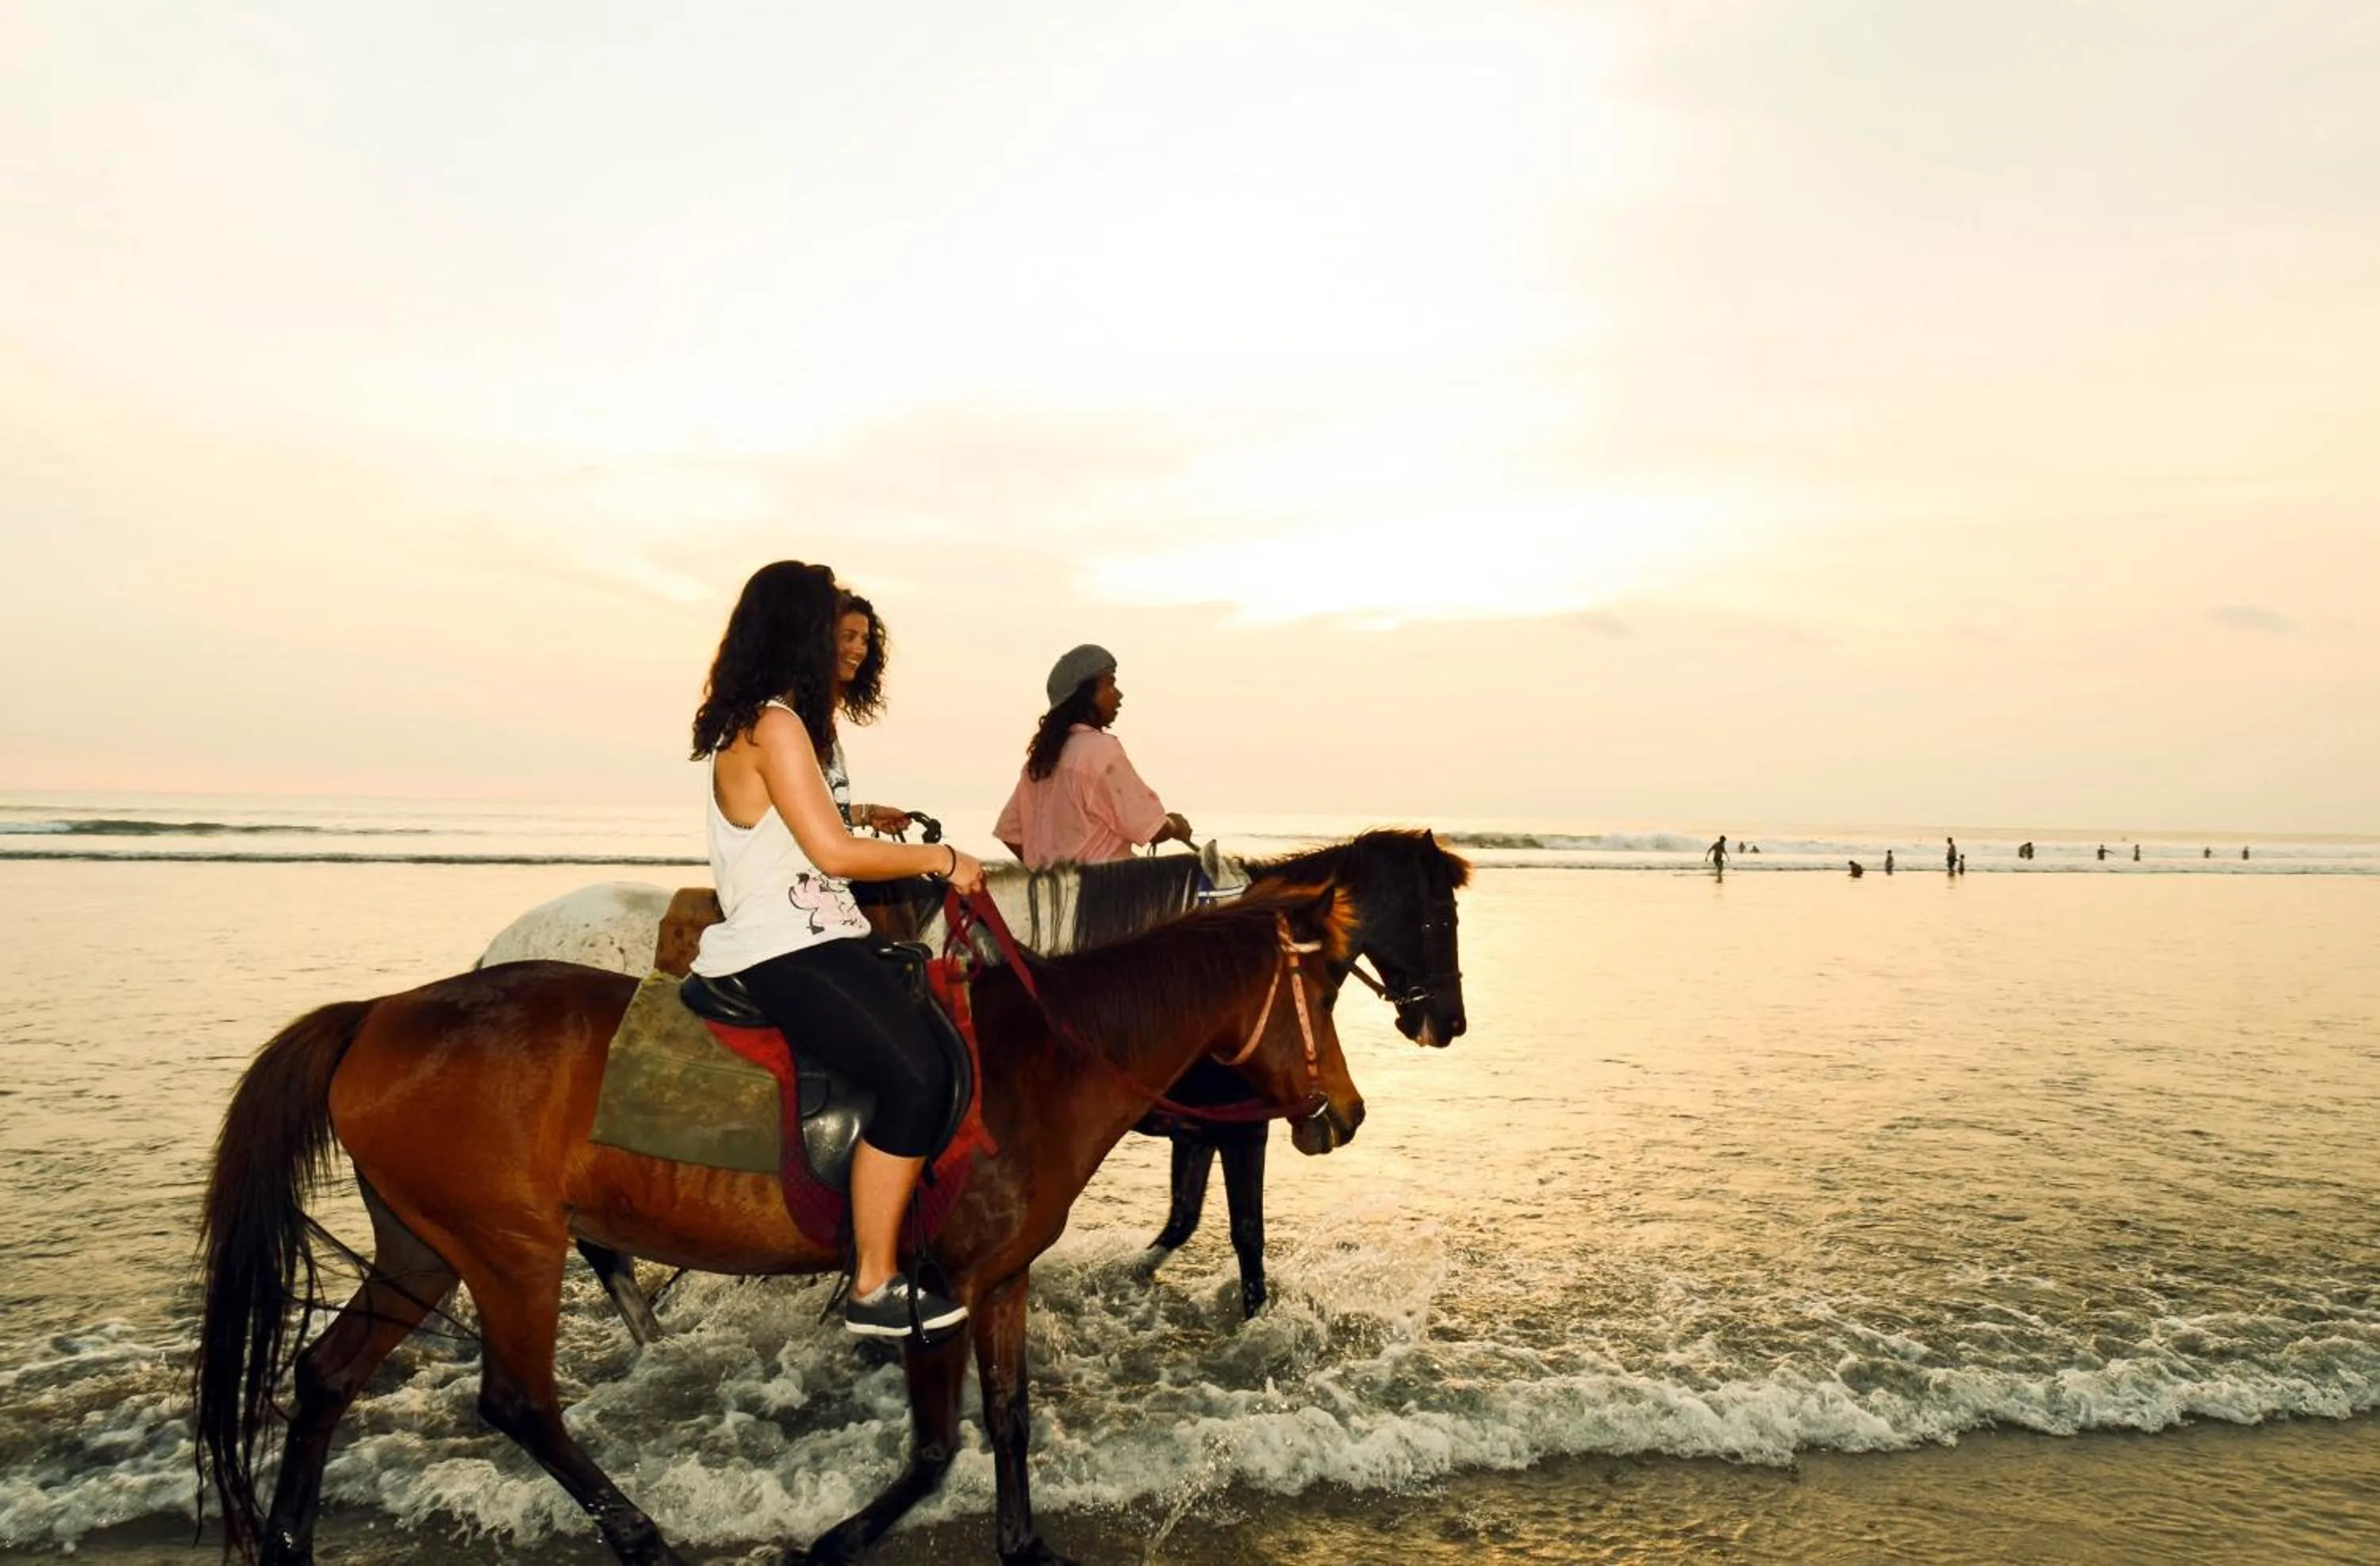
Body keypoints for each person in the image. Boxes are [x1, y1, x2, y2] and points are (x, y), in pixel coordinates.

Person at [688, 561, 987, 1340]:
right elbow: (835, 852)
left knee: (940, 1042)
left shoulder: (778, 721)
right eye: (833, 623)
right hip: (783, 946)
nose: (846, 639)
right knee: (916, 1078)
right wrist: (939, 859)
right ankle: (872, 1281)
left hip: (820, 932)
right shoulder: (775, 725)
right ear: (800, 629)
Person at [995, 644, 1192, 867]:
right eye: (1110, 683)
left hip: (1053, 898)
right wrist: (1175, 826)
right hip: (1106, 896)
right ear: (1086, 695)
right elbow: (1152, 828)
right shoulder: (1100, 750)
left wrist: (1048, 874)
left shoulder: (1041, 760)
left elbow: (1011, 833)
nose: (1119, 695)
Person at [830, 593, 915, 839]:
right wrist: (940, 857)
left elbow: (813, 816)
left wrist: (867, 814)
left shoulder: (818, 724)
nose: (859, 649)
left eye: (865, 640)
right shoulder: (786, 722)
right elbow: (792, 827)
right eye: (848, 637)